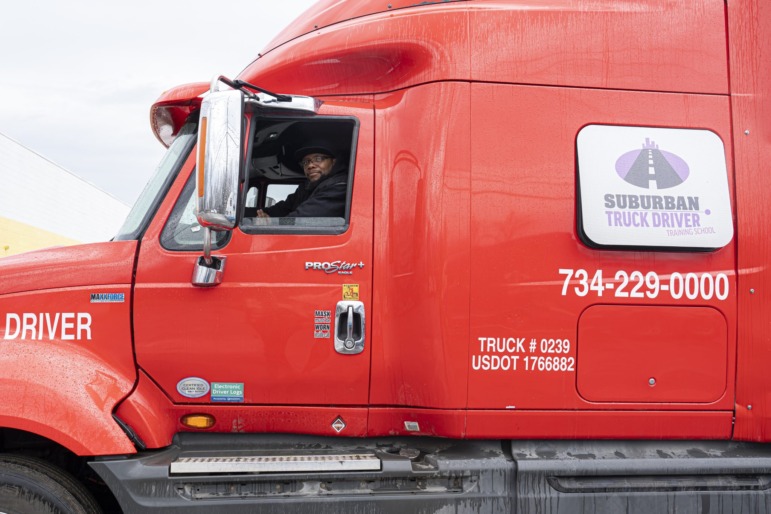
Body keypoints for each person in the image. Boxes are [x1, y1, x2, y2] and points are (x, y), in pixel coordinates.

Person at [256, 141, 348, 218]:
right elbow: (282, 209)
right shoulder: (305, 188)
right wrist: (262, 214)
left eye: (318, 159)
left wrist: (271, 224)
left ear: (333, 162)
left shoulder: (339, 186)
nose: (310, 165)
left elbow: (301, 220)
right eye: (305, 162)